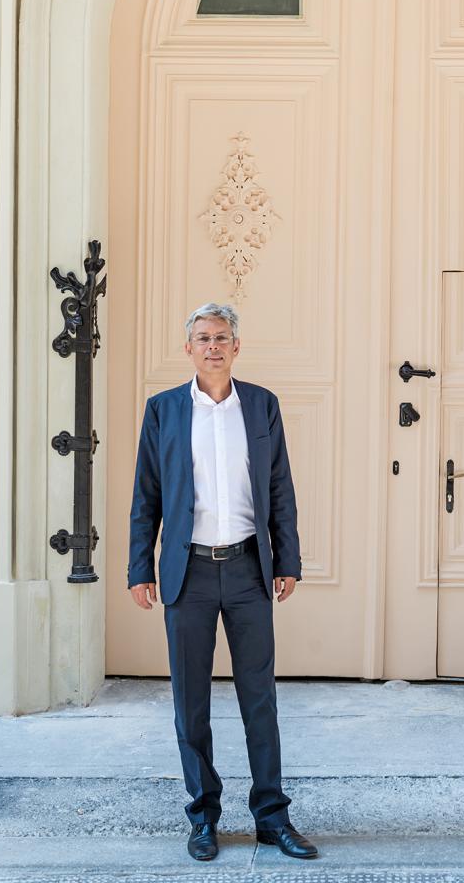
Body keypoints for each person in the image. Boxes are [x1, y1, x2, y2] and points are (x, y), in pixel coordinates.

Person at [128, 302, 318, 863]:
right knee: (191, 702)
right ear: (188, 348)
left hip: (246, 570)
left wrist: (288, 559)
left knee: (259, 698)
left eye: (223, 337)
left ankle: (271, 818)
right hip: (186, 572)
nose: (213, 346)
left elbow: (280, 487)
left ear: (237, 347)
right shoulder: (163, 410)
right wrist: (141, 567)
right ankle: (203, 817)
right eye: (203, 338)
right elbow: (147, 497)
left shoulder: (261, 407)